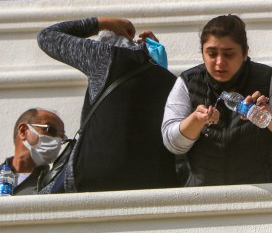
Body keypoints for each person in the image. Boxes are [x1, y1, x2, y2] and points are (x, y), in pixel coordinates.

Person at [161, 14, 272, 185]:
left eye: (229, 54)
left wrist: (268, 118)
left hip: (262, 195)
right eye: (212, 53)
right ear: (202, 52)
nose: (219, 62)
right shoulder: (188, 81)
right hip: (202, 196)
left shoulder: (268, 78)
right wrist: (196, 120)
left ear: (245, 53)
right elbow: (172, 143)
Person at [37, 17, 179, 192]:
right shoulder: (170, 80)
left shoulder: (107, 56)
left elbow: (47, 37)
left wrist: (102, 23)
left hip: (93, 181)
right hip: (155, 186)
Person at [2, 108, 66, 195]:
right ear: (23, 131)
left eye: (62, 137)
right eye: (50, 130)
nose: (58, 140)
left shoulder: (54, 185)